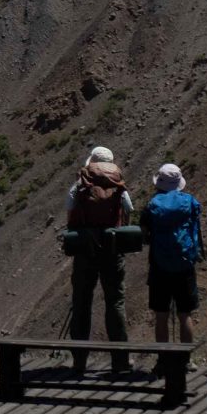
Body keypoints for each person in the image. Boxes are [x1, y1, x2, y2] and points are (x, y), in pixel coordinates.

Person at [63, 145, 135, 376]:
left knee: (82, 302)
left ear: (91, 162)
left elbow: (69, 209)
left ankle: (79, 361)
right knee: (115, 302)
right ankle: (121, 361)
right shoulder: (118, 184)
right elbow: (129, 209)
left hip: (85, 248)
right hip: (112, 249)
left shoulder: (81, 183)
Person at [141, 163, 202, 345]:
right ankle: (187, 361)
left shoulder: (152, 205)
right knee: (185, 315)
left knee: (161, 315)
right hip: (185, 264)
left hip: (159, 265)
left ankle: (163, 360)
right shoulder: (190, 202)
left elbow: (144, 234)